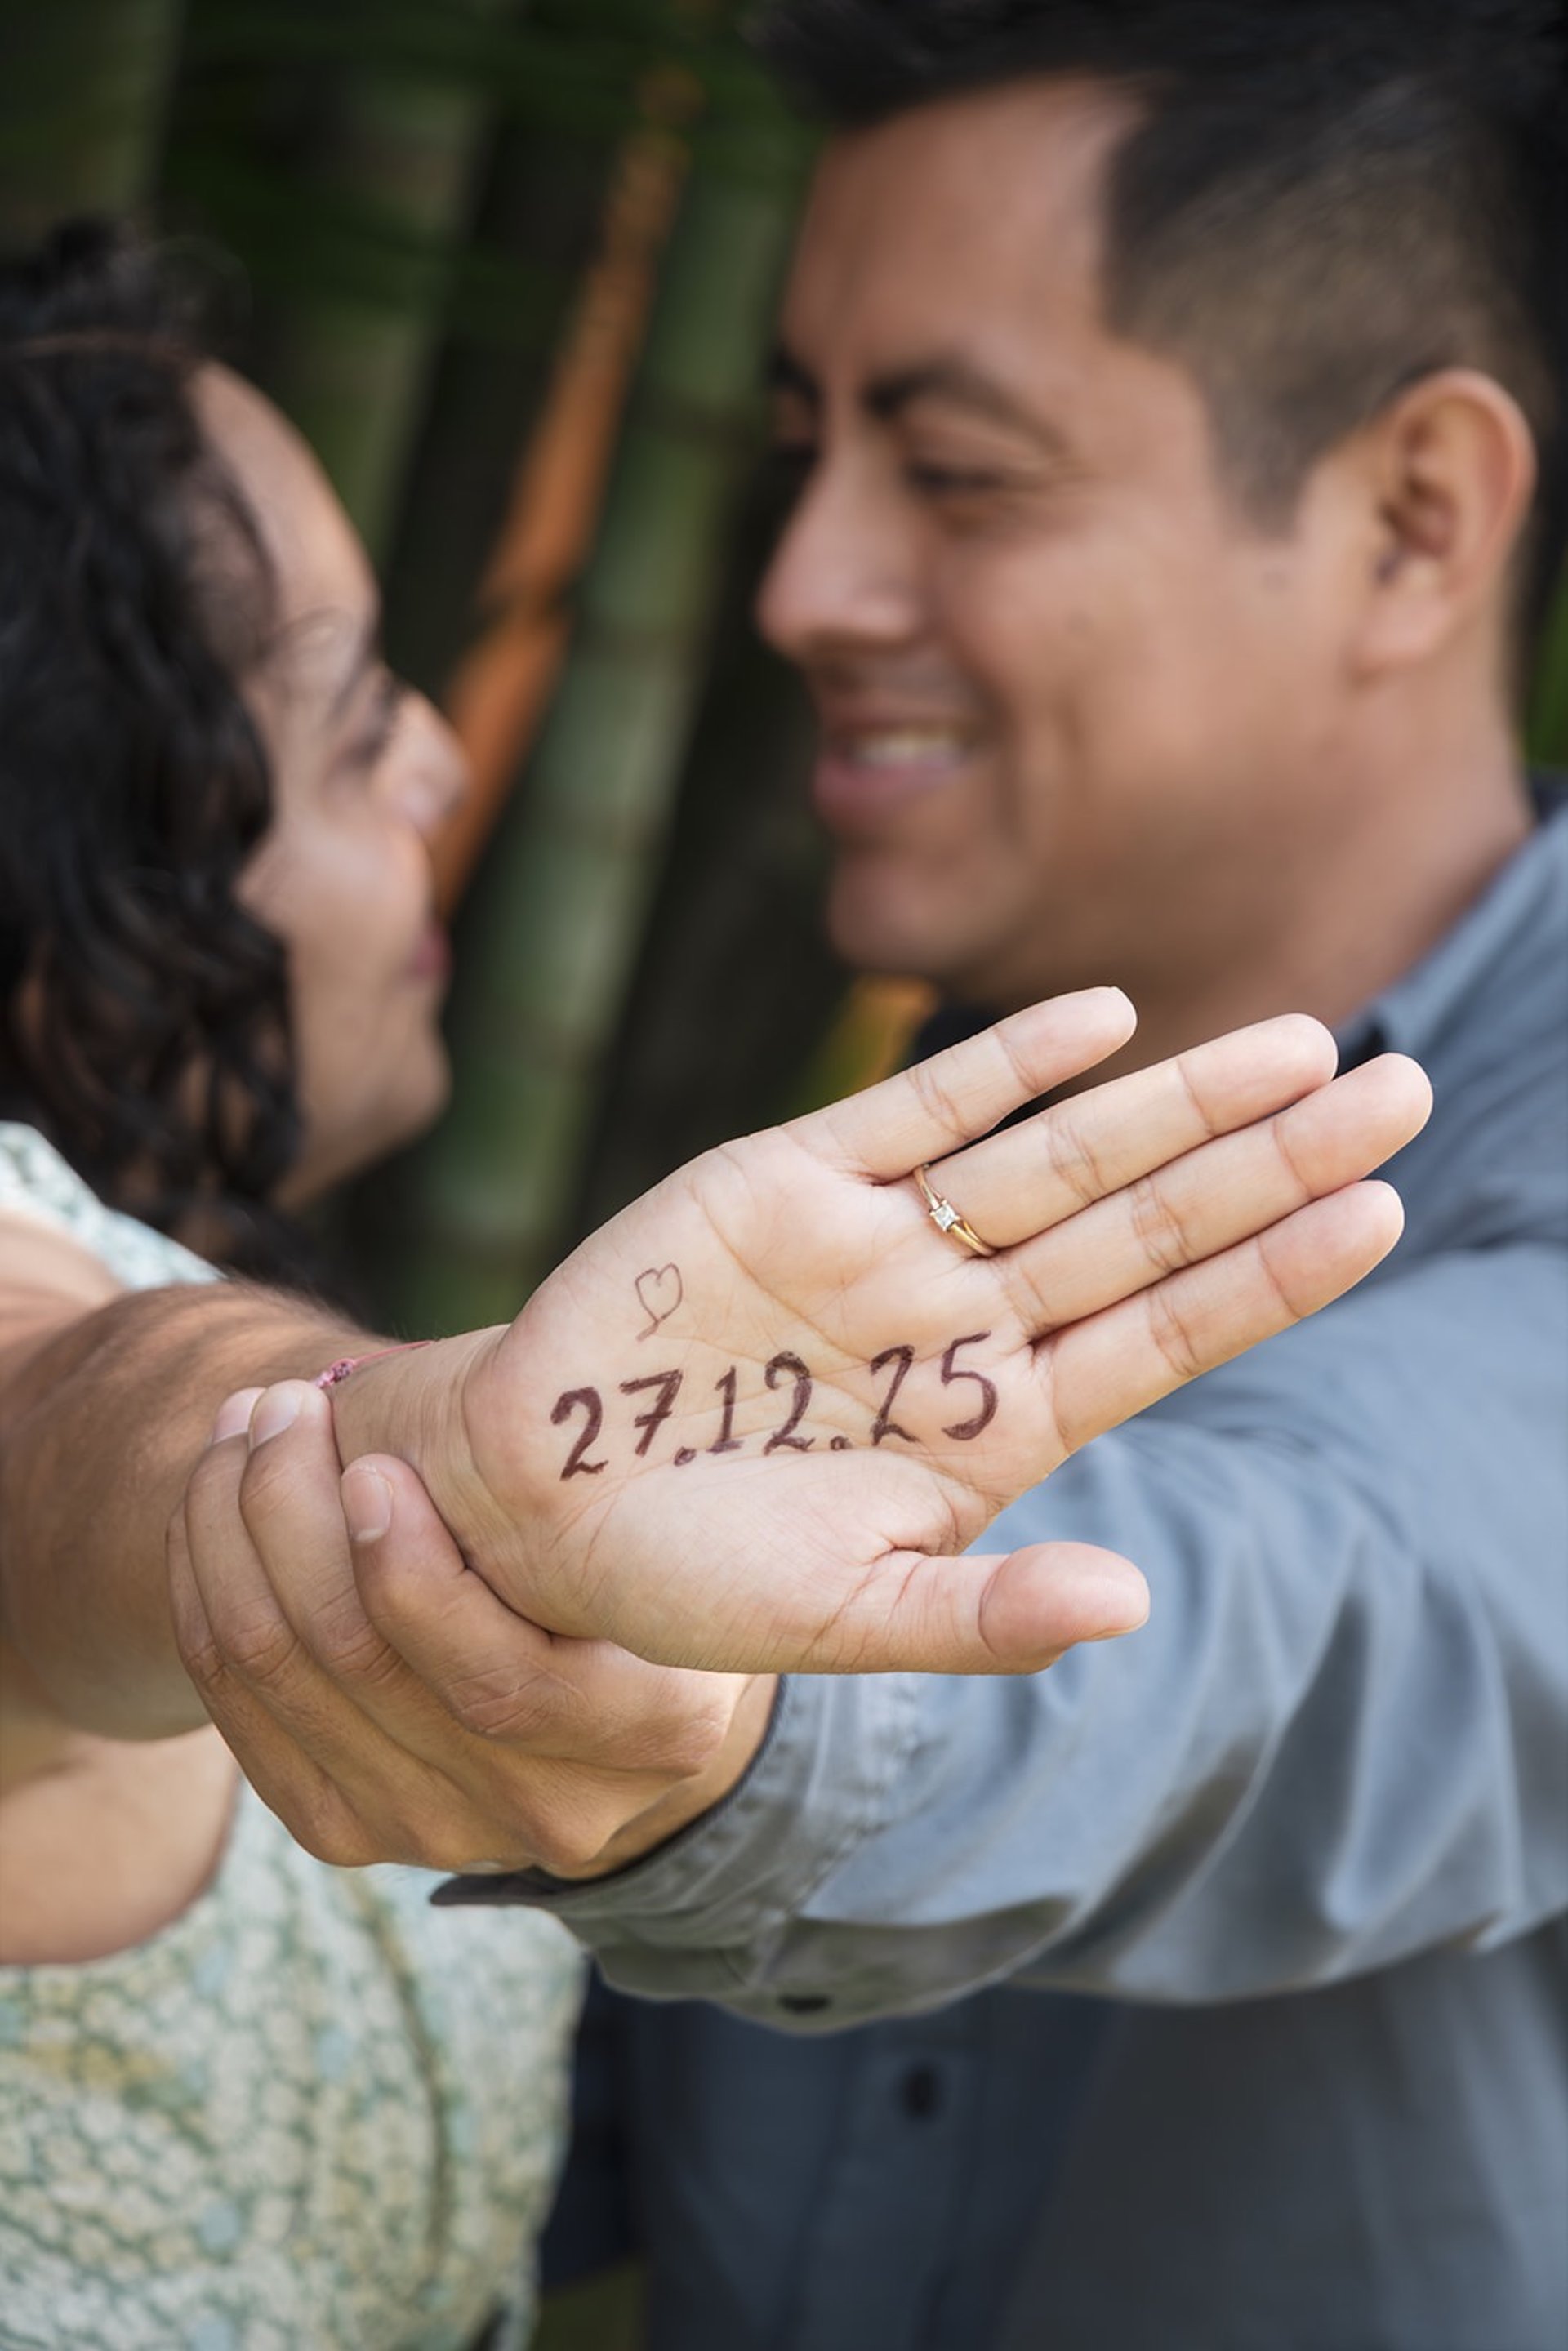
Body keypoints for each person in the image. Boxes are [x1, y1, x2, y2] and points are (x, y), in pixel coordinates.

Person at [167, 3, 1567, 2348]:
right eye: (805, 450)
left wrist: (726, 1692)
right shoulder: (818, 1214)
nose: (803, 583)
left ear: (1411, 518)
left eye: (962, 473)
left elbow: (1340, 1599)